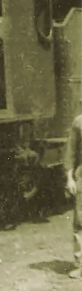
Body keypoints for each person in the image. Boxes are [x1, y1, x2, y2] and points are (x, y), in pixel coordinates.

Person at [64, 114, 82, 278]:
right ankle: (81, 265)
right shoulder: (79, 122)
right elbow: (71, 152)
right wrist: (70, 178)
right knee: (80, 222)